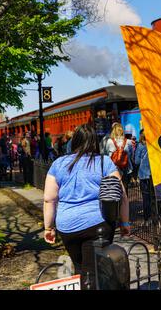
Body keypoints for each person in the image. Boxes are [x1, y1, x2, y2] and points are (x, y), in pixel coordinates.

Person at [43, 123, 130, 289]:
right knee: (94, 272)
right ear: (95, 142)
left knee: (81, 268)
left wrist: (48, 228)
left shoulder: (59, 164)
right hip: (98, 223)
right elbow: (122, 195)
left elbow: (49, 199)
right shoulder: (104, 163)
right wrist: (124, 222)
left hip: (67, 227)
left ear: (74, 142)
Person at [104, 123, 133, 190]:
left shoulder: (109, 141)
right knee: (125, 188)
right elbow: (131, 154)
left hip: (112, 168)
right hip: (125, 167)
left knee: (115, 188)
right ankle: (125, 199)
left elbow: (106, 153)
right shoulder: (128, 142)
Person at [134, 131, 154, 221]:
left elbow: (136, 161)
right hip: (154, 174)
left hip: (143, 174)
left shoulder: (141, 146)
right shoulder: (154, 145)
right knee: (155, 196)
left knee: (146, 197)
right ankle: (157, 216)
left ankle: (148, 218)